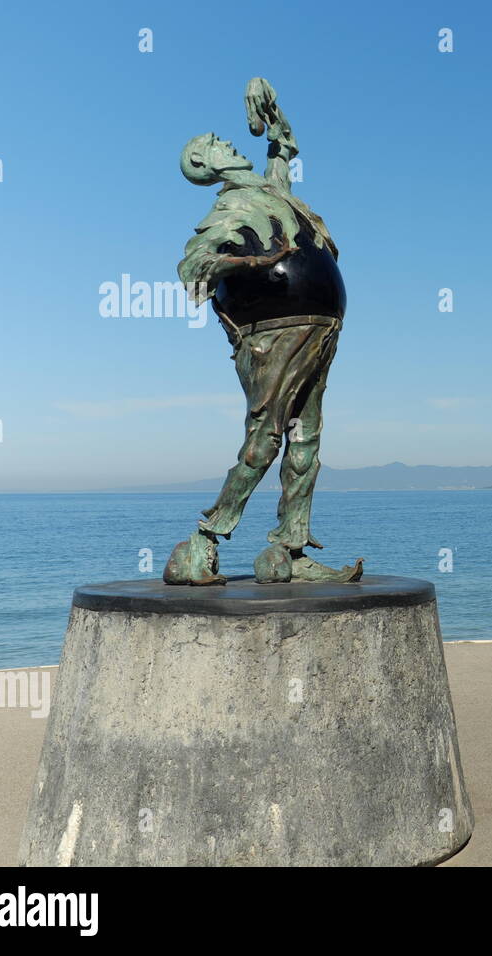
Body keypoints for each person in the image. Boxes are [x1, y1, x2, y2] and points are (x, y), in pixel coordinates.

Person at [164, 78, 362, 585]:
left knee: (306, 438)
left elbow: (281, 151)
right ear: (206, 167)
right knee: (266, 437)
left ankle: (289, 549)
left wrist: (270, 112)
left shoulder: (268, 192)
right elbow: (193, 267)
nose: (227, 143)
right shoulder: (229, 208)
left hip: (318, 327)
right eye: (216, 145)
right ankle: (204, 540)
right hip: (272, 333)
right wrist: (257, 258)